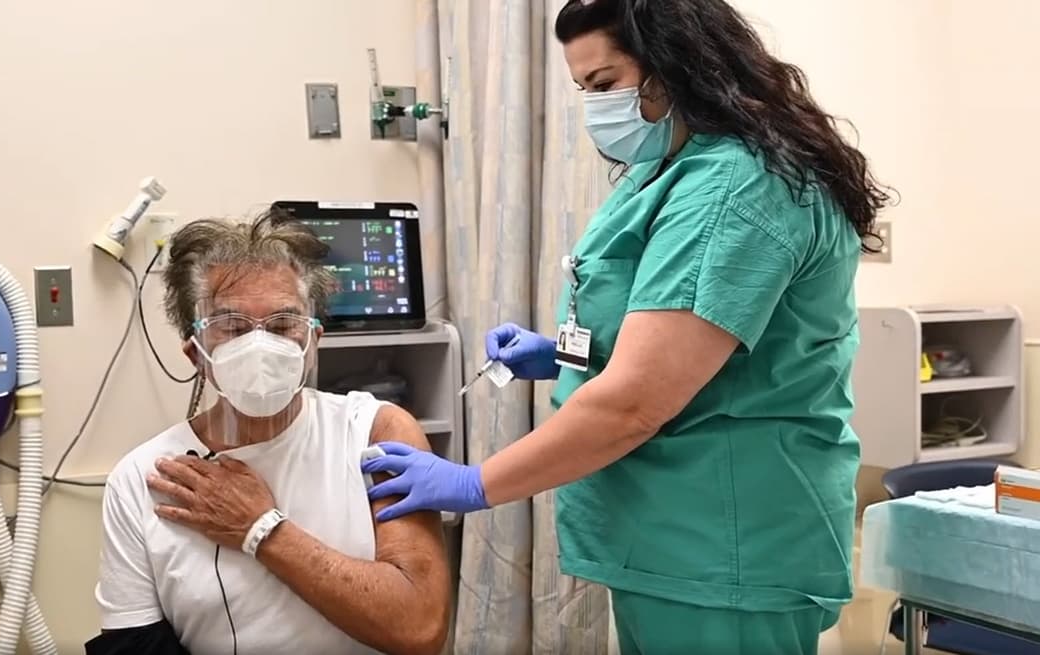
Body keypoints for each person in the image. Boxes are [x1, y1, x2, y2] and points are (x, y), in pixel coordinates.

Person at [362, 1, 892, 653]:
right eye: (583, 89)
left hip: (724, 541)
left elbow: (637, 399)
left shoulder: (738, 186)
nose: (593, 106)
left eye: (605, 83)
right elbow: (687, 343)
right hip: (670, 535)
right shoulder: (671, 169)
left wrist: (475, 483)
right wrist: (563, 354)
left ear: (676, 69)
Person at [88, 209, 451, 655]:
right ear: (195, 353)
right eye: (233, 328)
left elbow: (419, 628)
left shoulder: (377, 434)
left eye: (283, 325)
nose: (260, 346)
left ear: (313, 341)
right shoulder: (145, 479)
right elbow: (133, 647)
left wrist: (261, 529)